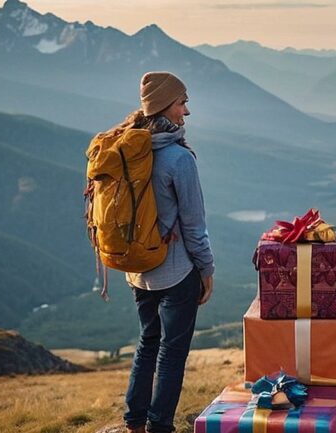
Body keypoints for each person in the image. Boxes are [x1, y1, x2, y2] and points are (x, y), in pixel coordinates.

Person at [111, 71, 215, 433]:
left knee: (147, 343)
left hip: (139, 271)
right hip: (175, 272)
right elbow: (194, 226)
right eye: (182, 103)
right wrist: (206, 269)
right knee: (171, 353)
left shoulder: (127, 151)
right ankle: (159, 426)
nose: (187, 111)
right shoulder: (178, 159)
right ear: (164, 106)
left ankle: (134, 422)